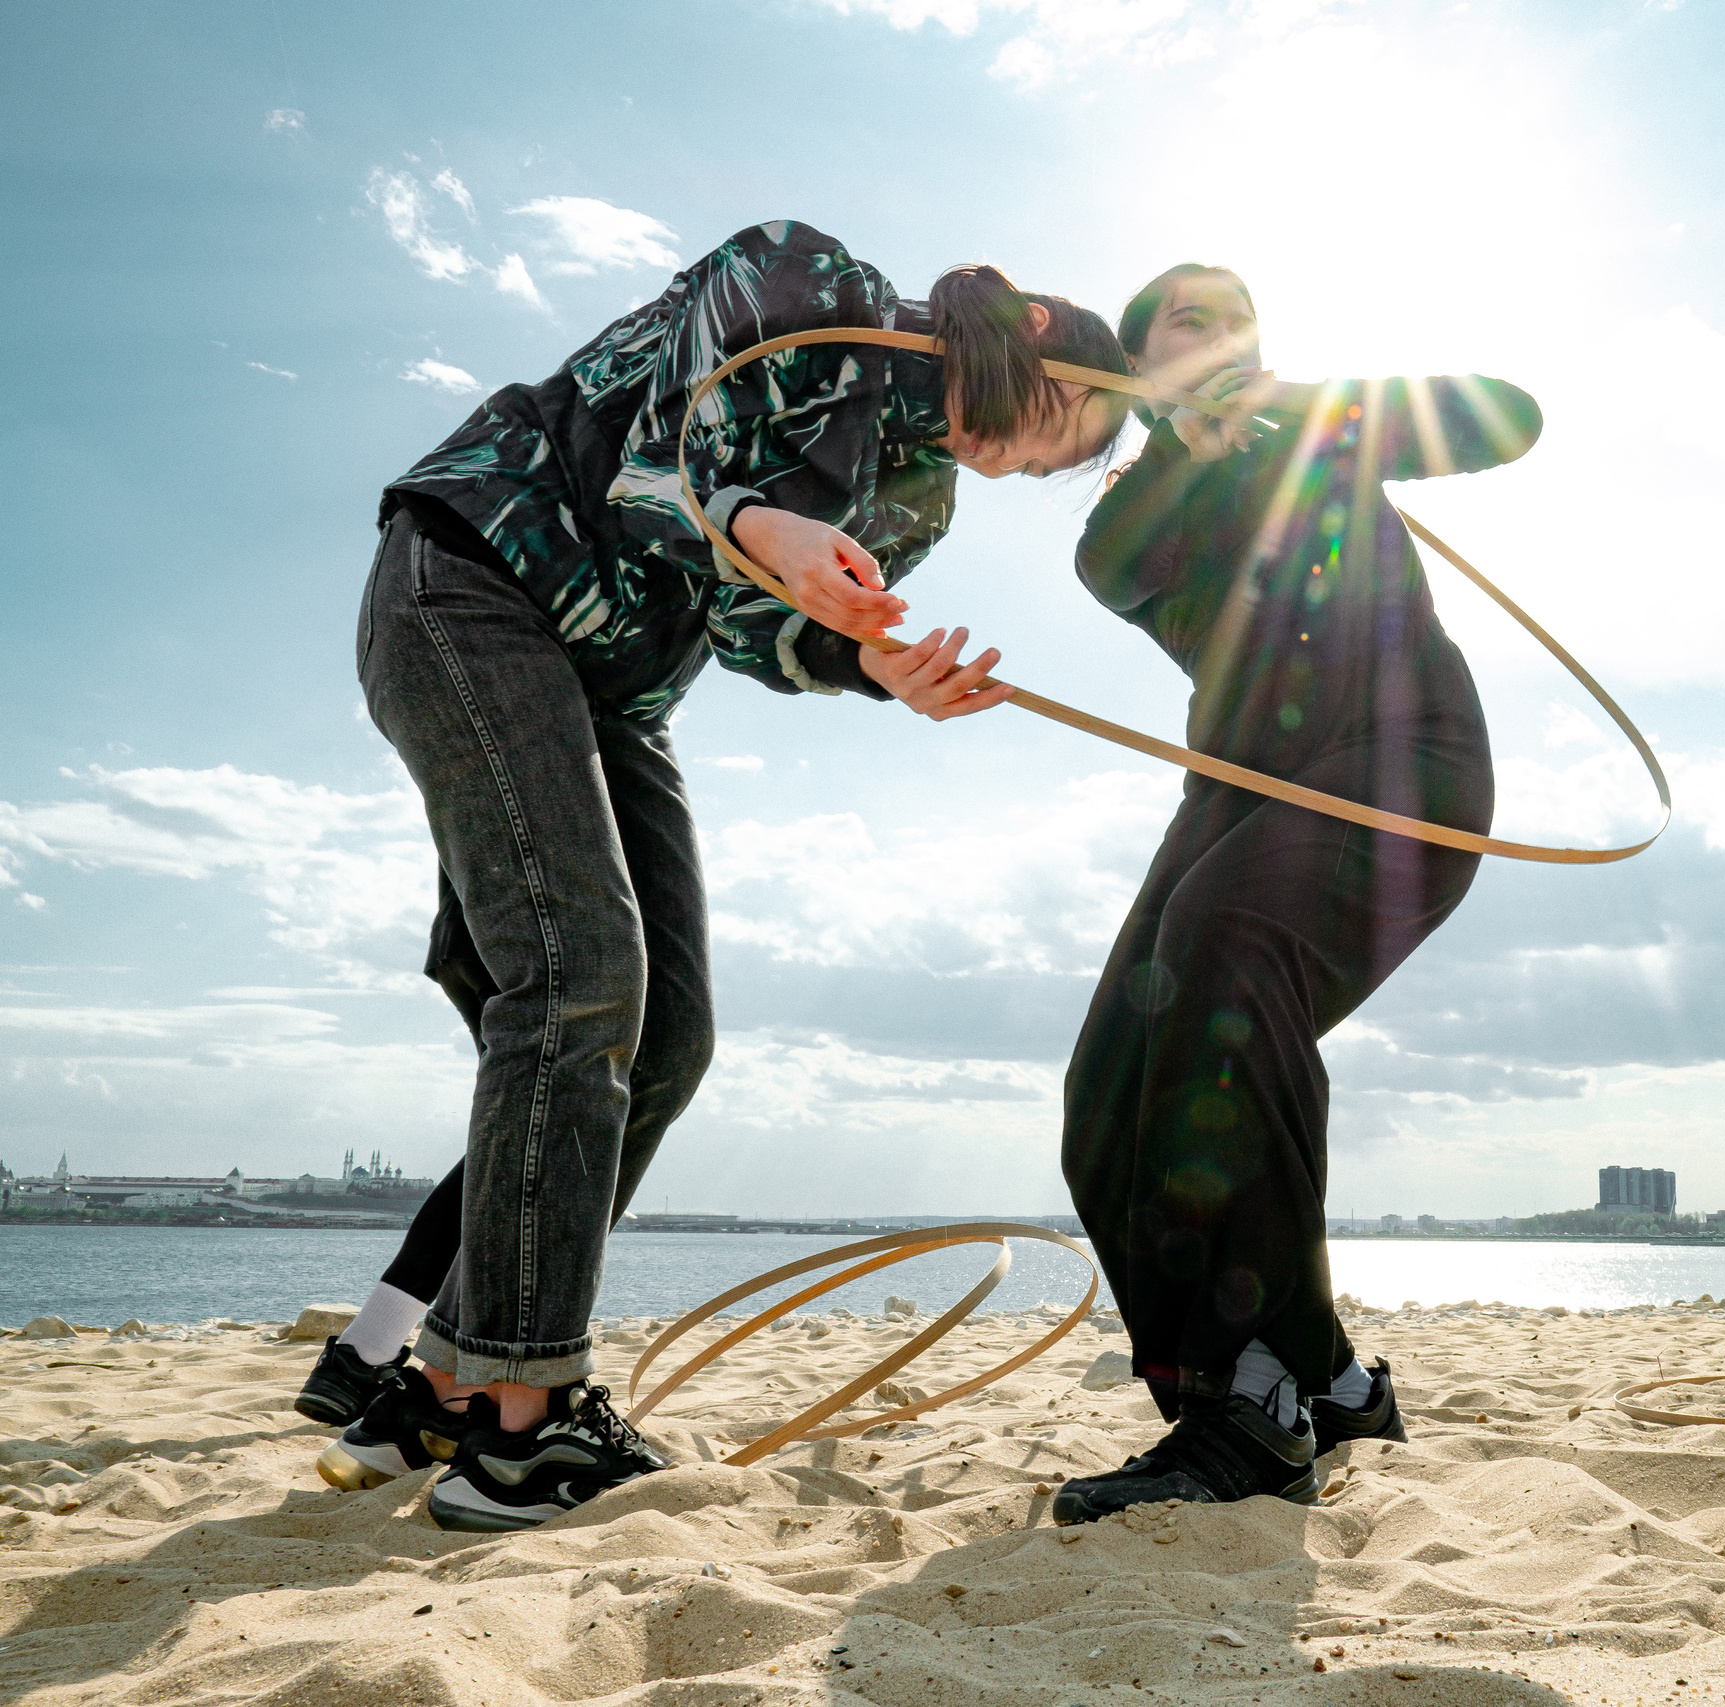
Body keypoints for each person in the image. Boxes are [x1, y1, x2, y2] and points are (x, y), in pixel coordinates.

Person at [298, 220, 1126, 1533]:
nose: (1025, 465)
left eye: (1045, 471)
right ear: (1036, 333)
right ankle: (521, 1424)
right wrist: (765, 526)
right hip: (476, 577)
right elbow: (648, 472)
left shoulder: (921, 494)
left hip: (614, 695)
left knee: (670, 1035)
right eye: (1059, 432)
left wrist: (875, 665)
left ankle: (447, 1379)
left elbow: (755, 632)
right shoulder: (808, 279)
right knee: (578, 978)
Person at [1052, 265, 1541, 1522]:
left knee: (1220, 958)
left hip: (1401, 758)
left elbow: (1507, 416)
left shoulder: (1328, 431)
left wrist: (1308, 405)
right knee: (1108, 1090)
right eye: (1190, 319)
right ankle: (1319, 1382)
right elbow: (1112, 567)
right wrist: (1186, 445)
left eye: (1238, 316)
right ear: (1138, 365)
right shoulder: (1130, 509)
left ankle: (1256, 1401)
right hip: (1237, 791)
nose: (1224, 333)